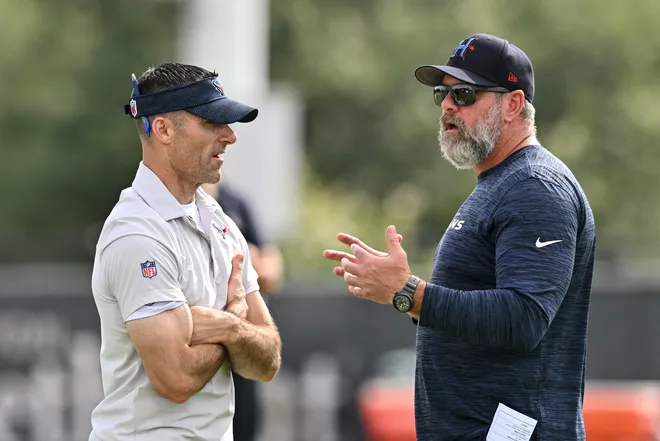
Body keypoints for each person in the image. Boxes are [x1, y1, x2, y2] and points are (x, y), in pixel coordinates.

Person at [323, 34, 595, 441]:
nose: (448, 106)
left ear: (513, 105)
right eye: (442, 94)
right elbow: (469, 310)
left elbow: (525, 318)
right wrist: (408, 296)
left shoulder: (535, 186)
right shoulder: (500, 183)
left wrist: (409, 293)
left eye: (465, 94)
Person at [89, 62, 282, 441]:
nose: (229, 136)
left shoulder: (219, 220)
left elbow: (268, 361)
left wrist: (226, 325)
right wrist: (237, 324)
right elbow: (175, 379)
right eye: (211, 123)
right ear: (161, 129)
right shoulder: (136, 233)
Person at [202, 182, 284, 441]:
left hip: (242, 341)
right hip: (204, 340)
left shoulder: (235, 202)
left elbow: (272, 274)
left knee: (245, 426)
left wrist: (236, 259)